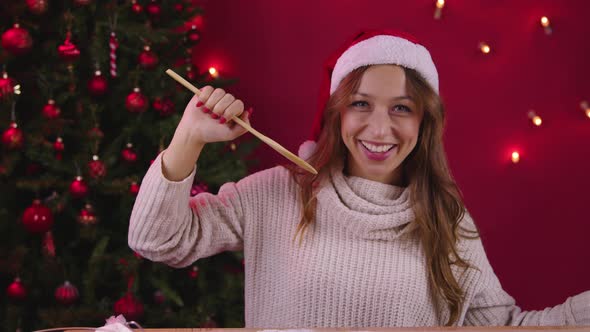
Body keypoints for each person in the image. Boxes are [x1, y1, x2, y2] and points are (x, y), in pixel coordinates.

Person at [128, 29, 589, 327]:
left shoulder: (447, 221)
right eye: (361, 104)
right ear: (336, 114)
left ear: (424, 124)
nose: (380, 129)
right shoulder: (278, 193)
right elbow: (157, 240)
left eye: (402, 109)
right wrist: (189, 136)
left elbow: (505, 327)